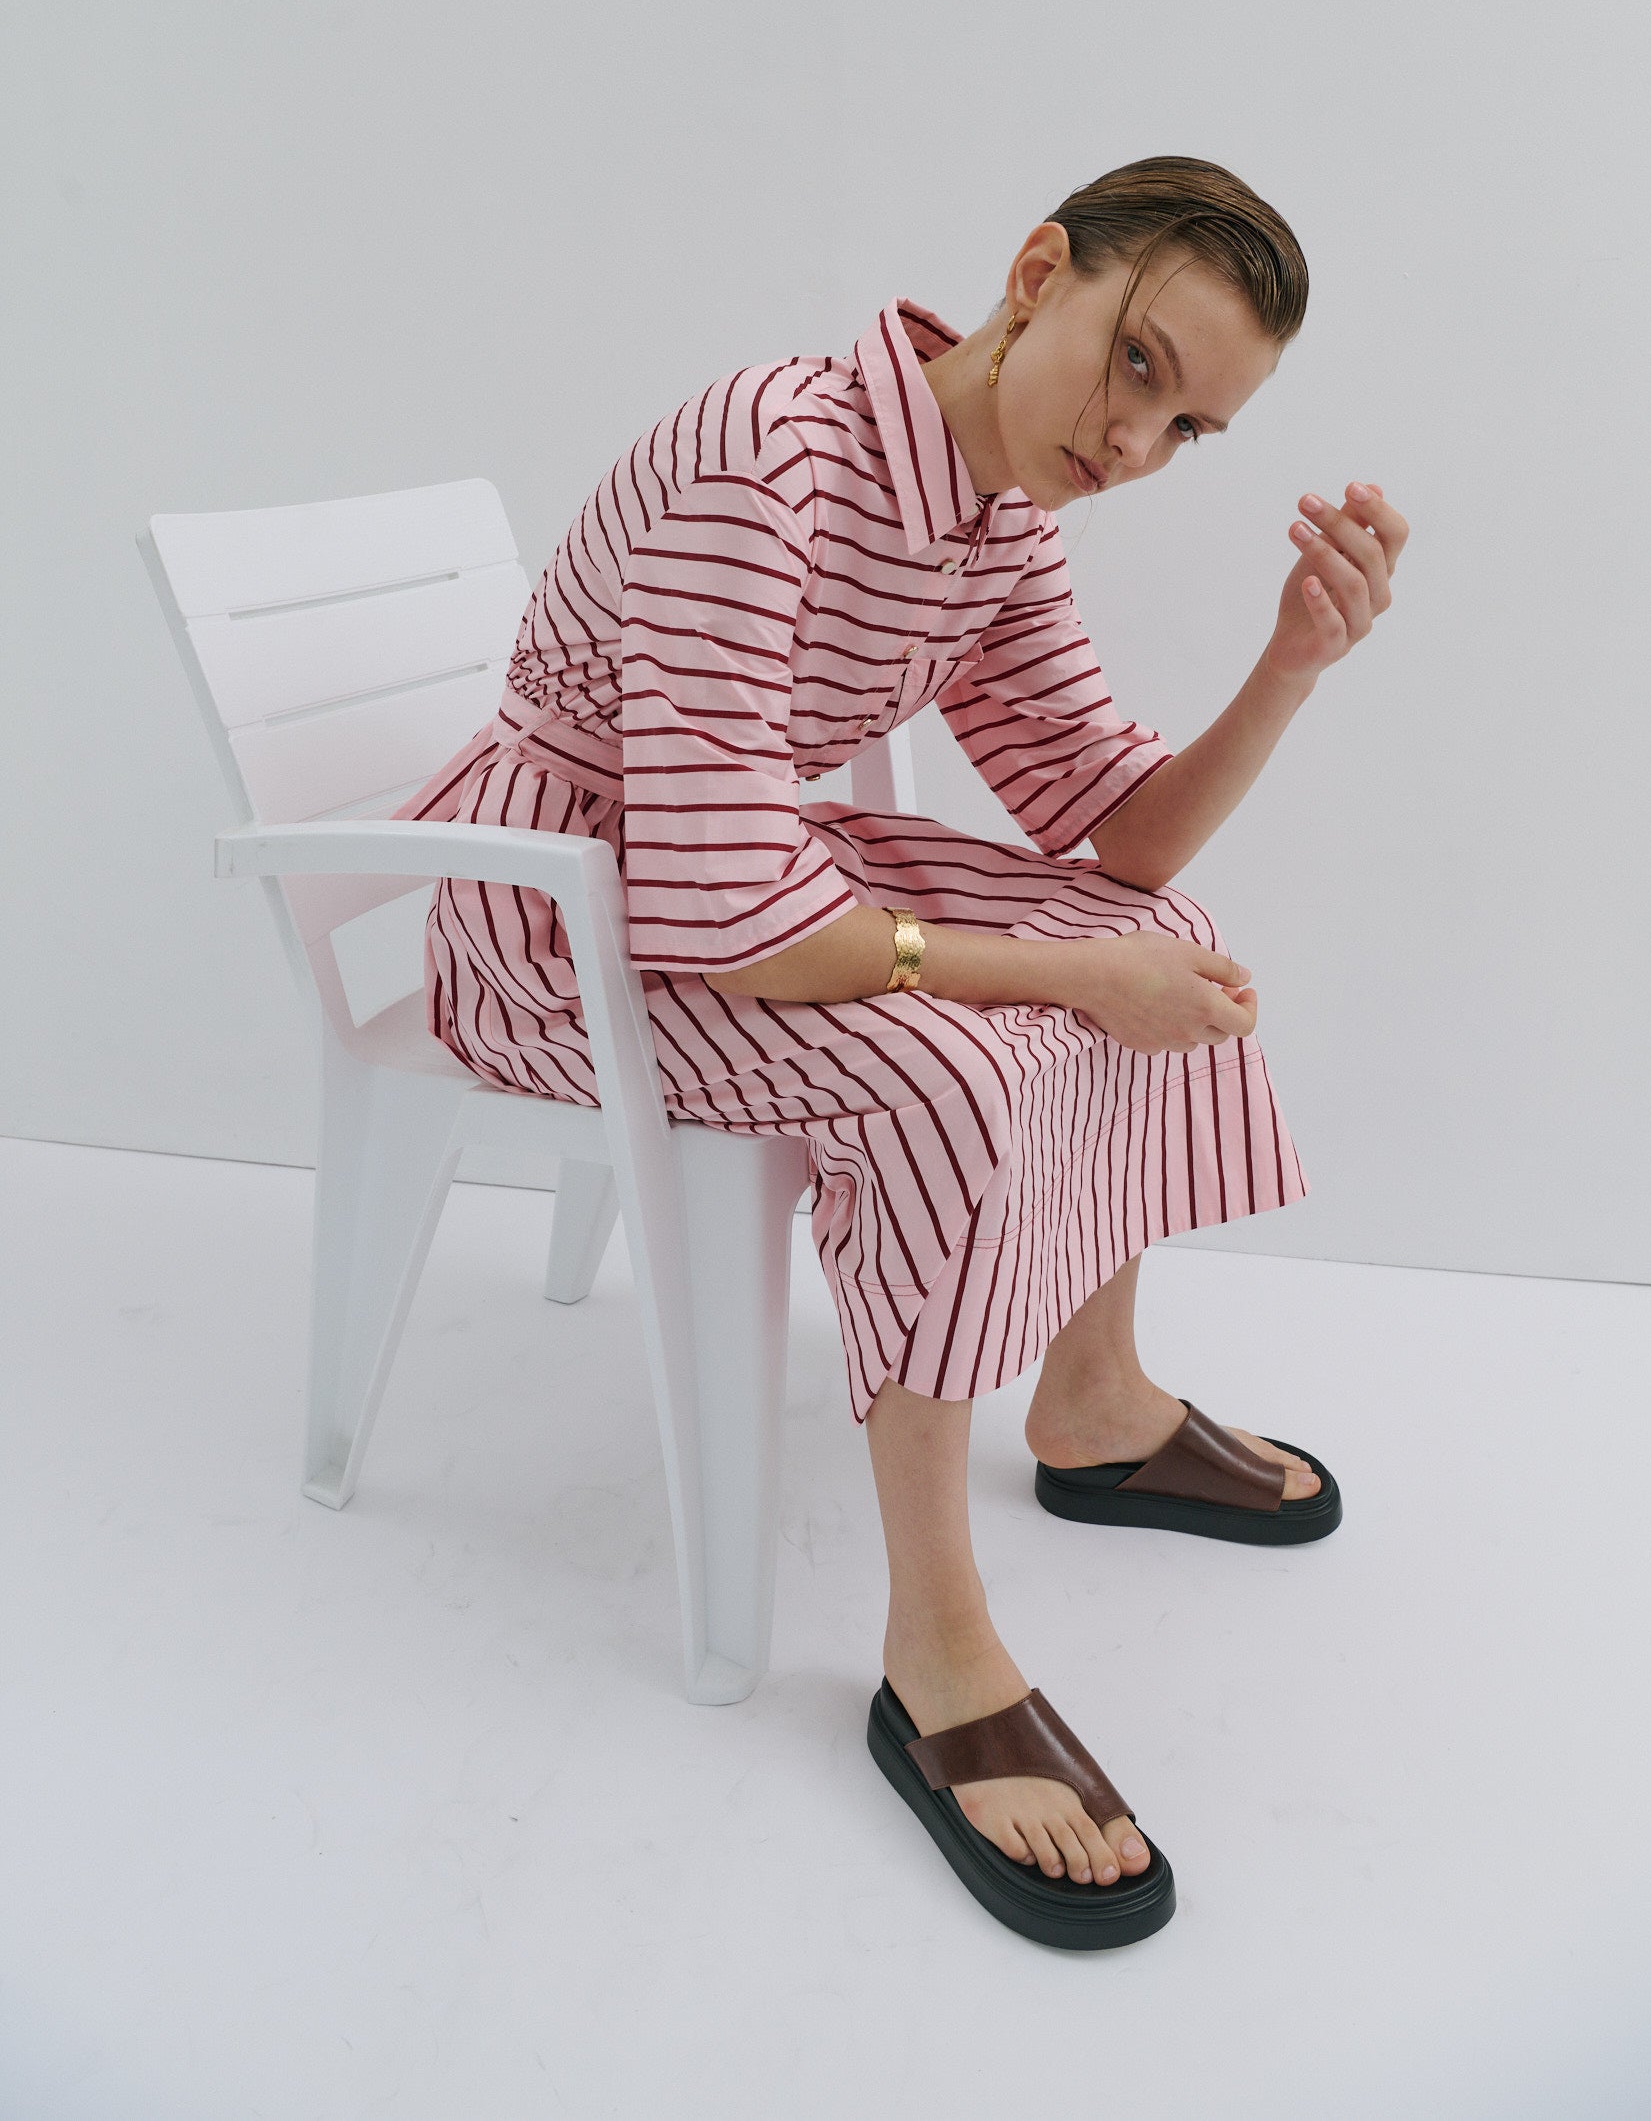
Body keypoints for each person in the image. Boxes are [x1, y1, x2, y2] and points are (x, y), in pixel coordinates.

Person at [395, 155, 1408, 1948]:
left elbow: (1121, 842)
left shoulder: (999, 515)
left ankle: (1095, 1407)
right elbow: (736, 920)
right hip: (557, 925)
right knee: (957, 1069)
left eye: (1191, 427)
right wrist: (1065, 980)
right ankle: (937, 1648)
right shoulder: (768, 464)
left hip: (722, 872)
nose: (1139, 440)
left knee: (1157, 938)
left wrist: (1290, 666)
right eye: (1139, 363)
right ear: (1037, 271)